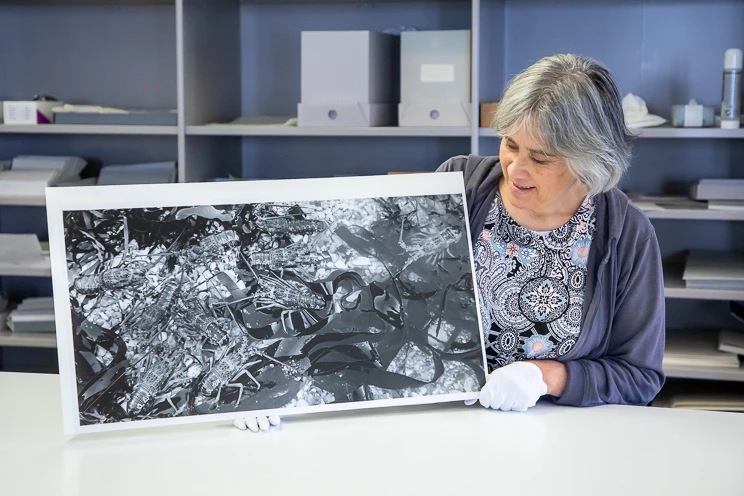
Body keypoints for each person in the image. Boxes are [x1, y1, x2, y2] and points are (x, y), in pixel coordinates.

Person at [236, 53, 665, 432]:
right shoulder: (457, 184)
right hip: (440, 426)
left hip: (553, 437)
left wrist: (546, 376)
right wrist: (282, 380)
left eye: (541, 159)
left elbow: (639, 376)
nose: (516, 169)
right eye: (510, 145)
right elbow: (367, 292)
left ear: (589, 160)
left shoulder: (624, 234)